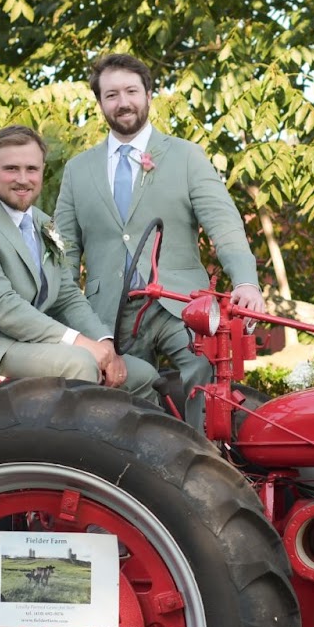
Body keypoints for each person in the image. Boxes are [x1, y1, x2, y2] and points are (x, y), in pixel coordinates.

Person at [52, 53, 264, 428]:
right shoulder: (77, 169)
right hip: (108, 312)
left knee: (207, 373)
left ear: (149, 94)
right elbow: (64, 250)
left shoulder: (186, 156)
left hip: (181, 303)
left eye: (132, 91)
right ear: (100, 102)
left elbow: (224, 223)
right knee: (118, 397)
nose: (123, 102)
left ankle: (209, 466)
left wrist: (246, 281)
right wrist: (64, 318)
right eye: (112, 94)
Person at [0, 124, 157, 399]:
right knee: (80, 364)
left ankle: (137, 443)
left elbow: (66, 296)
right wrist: (81, 343)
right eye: (11, 169)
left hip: (34, 341)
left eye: (31, 169)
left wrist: (103, 343)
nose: (23, 179)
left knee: (144, 376)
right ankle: (73, 443)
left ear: (42, 171)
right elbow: (1, 308)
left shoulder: (41, 222)